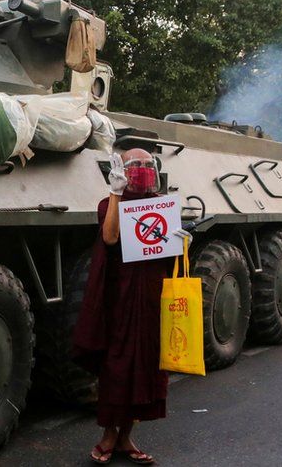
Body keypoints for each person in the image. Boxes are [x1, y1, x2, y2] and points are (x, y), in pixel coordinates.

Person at [72, 148, 175, 465]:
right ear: (124, 170)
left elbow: (165, 246)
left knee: (144, 367)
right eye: (136, 165)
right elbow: (111, 237)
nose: (143, 169)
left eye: (148, 164)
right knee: (116, 367)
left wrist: (181, 236)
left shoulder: (159, 203)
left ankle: (126, 437)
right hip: (120, 299)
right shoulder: (109, 204)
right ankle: (108, 436)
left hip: (151, 298)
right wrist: (116, 193)